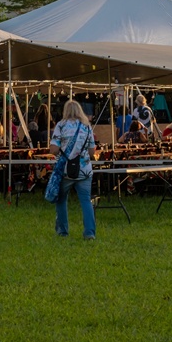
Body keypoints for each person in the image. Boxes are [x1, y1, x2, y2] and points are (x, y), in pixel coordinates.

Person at [49, 99, 96, 240]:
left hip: (65, 170)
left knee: (61, 201)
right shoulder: (87, 127)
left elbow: (54, 149)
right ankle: (90, 233)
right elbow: (92, 151)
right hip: (84, 169)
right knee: (86, 201)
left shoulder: (61, 126)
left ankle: (63, 231)